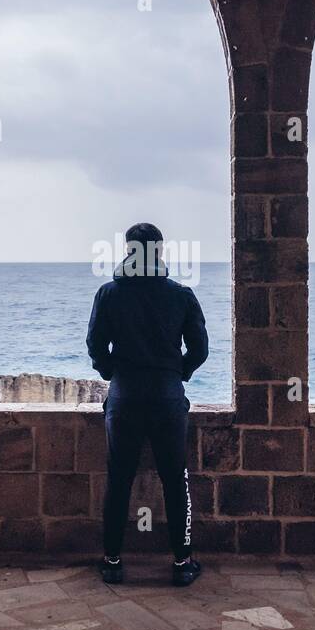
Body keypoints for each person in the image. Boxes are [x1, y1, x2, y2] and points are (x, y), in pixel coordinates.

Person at [86, 223, 208, 586]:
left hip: (124, 398)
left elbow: (95, 345)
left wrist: (112, 373)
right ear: (159, 250)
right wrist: (177, 374)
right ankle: (183, 564)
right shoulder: (181, 295)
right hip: (167, 398)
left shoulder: (109, 294)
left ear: (128, 250)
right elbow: (199, 350)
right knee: (175, 481)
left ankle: (112, 562)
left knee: (119, 480)